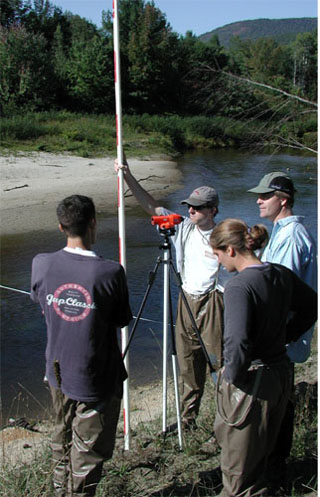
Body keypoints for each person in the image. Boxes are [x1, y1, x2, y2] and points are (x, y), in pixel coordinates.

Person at [31, 195, 132, 497]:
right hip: (95, 376)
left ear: (61, 226)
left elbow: (40, 302)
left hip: (57, 370)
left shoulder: (42, 264)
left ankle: (61, 490)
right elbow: (121, 319)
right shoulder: (110, 271)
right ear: (93, 224)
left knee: (61, 440)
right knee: (87, 454)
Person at [209, 218, 317, 497]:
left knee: (239, 474)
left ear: (230, 250)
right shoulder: (279, 273)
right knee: (264, 457)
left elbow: (237, 342)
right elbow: (312, 306)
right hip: (281, 373)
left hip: (252, 381)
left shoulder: (239, 287)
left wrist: (231, 379)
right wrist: (285, 336)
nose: (219, 262)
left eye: (218, 255)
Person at [114, 158, 224, 430]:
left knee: (219, 362)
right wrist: (128, 177)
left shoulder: (224, 235)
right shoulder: (183, 227)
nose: (192, 211)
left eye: (198, 208)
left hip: (213, 301)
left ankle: (227, 419)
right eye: (189, 207)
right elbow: (151, 205)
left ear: (213, 210)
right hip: (186, 299)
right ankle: (187, 420)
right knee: (187, 362)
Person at [248, 171, 317, 482]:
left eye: (266, 196)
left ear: (283, 200)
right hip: (282, 337)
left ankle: (274, 471)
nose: (259, 200)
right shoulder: (282, 231)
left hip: (281, 338)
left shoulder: (290, 236)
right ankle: (273, 467)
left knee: (276, 405)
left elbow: (281, 292)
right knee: (279, 401)